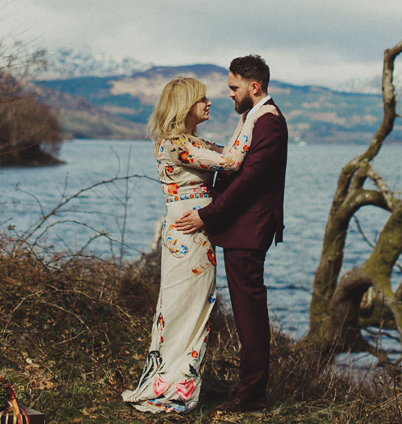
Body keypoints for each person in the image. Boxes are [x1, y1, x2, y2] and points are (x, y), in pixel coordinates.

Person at [122, 75, 253, 414]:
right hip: (187, 235)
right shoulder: (174, 144)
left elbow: (223, 153)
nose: (209, 103)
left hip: (193, 233)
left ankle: (174, 379)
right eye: (201, 99)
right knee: (185, 308)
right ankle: (172, 385)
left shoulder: (191, 141)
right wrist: (250, 117)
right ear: (184, 107)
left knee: (190, 306)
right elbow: (231, 161)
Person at [173, 55, 288, 412]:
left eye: (234, 88)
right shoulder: (251, 118)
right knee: (244, 311)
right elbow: (234, 163)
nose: (229, 95)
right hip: (242, 227)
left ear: (254, 88)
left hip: (249, 229)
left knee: (249, 313)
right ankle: (245, 387)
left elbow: (248, 182)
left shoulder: (268, 122)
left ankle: (252, 395)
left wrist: (205, 216)